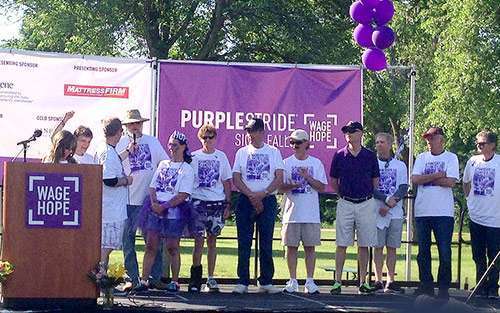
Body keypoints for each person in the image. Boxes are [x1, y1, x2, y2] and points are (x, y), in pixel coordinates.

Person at [116, 109, 169, 291]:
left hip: (149, 200)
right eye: (131, 123)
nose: (134, 126)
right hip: (127, 199)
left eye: (137, 123)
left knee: (154, 241)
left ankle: (155, 277)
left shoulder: (152, 141)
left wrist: (159, 193)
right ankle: (132, 278)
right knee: (128, 242)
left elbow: (165, 164)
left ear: (142, 124)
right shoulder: (121, 143)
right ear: (126, 126)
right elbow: (113, 165)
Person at [135, 131, 194, 293]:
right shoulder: (163, 164)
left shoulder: (187, 169)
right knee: (151, 245)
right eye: (170, 145)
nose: (171, 148)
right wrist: (154, 203)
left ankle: (174, 281)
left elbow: (183, 194)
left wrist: (165, 206)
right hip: (155, 209)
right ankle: (144, 280)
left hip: (174, 212)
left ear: (183, 147)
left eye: (175, 145)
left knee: (172, 247)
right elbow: (153, 186)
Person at [232, 117, 284, 294]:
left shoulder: (273, 152)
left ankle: (266, 281)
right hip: (246, 200)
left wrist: (262, 194)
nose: (249, 135)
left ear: (261, 132)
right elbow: (236, 178)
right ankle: (243, 281)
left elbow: (279, 177)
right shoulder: (241, 152)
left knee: (266, 241)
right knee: (244, 241)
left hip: (267, 200)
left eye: (252, 131)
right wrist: (251, 196)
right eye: (247, 131)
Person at [329, 121, 379, 295]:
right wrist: (342, 194)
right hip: (346, 202)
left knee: (364, 244)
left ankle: (363, 282)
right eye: (346, 131)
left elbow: (375, 180)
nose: (348, 134)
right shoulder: (339, 155)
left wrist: (365, 194)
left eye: (352, 131)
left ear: (361, 133)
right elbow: (333, 181)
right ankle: (337, 282)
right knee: (341, 243)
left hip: (366, 203)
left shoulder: (370, 156)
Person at [411, 127, 459, 300]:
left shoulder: (451, 157)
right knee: (423, 251)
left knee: (444, 252)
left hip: (443, 213)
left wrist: (427, 177)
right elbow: (415, 179)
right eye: (427, 139)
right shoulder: (422, 157)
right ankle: (426, 285)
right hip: (423, 211)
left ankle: (443, 288)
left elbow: (451, 182)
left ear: (441, 139)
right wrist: (438, 175)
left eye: (432, 138)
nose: (429, 142)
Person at [280, 129, 327, 294]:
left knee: (310, 248)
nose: (294, 146)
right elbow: (279, 187)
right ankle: (292, 280)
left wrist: (307, 177)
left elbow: (322, 186)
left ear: (307, 143)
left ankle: (309, 281)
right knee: (290, 248)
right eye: (292, 142)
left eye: (298, 143)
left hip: (310, 214)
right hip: (291, 213)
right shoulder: (285, 163)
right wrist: (292, 185)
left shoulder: (316, 163)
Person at [188, 124, 232, 292]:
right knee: (198, 241)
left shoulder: (221, 157)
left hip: (217, 203)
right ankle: (195, 279)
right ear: (200, 139)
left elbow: (227, 182)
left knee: (212, 241)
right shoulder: (193, 157)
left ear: (215, 138)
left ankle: (211, 278)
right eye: (204, 137)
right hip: (198, 203)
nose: (207, 140)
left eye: (210, 137)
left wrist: (228, 204)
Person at [95, 118, 134, 273]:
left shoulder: (106, 150)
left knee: (108, 244)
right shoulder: (108, 153)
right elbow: (108, 179)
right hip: (110, 209)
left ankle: (101, 272)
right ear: (118, 132)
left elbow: (113, 162)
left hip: (110, 207)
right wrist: (126, 180)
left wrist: (128, 151)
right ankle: (100, 273)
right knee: (107, 245)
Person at [463, 130, 499, 299]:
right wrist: (469, 201)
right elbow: (465, 182)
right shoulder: (472, 161)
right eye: (477, 142)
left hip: (495, 219)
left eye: (482, 143)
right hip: (476, 216)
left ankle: (493, 288)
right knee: (478, 255)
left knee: (494, 255)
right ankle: (480, 286)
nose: (479, 145)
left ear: (492, 145)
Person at [372, 132, 408, 293]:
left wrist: (391, 203)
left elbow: (402, 187)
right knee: (377, 247)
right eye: (377, 142)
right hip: (377, 211)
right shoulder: (371, 164)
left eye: (382, 142)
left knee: (392, 247)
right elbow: (370, 187)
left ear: (389, 144)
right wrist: (385, 200)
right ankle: (378, 279)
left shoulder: (399, 165)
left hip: (395, 212)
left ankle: (390, 280)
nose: (379, 145)